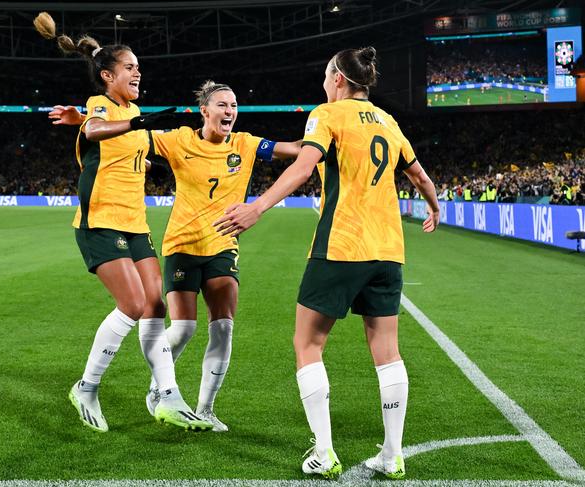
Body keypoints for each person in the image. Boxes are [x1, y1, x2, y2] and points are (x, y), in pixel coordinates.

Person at [215, 47, 440, 479]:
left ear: (338, 77)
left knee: (308, 344)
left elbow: (303, 167)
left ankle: (324, 451)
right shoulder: (389, 123)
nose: (322, 82)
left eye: (324, 74)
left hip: (341, 245)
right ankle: (393, 454)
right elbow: (420, 177)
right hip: (389, 250)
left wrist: (257, 208)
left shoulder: (328, 114)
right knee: (388, 353)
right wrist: (433, 208)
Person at [50, 80, 301, 432]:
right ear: (205, 111)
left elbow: (293, 148)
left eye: (234, 105)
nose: (230, 111)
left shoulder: (246, 144)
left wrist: (323, 143)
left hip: (223, 246)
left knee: (224, 327)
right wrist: (83, 121)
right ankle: (159, 388)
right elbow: (131, 138)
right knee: (182, 329)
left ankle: (206, 408)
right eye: (222, 105)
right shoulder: (179, 139)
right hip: (183, 244)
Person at [34, 12, 211, 433]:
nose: (137, 72)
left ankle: (167, 396)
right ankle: (86, 387)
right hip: (101, 221)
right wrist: (127, 123)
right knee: (132, 305)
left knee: (155, 304)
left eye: (137, 67)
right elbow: (95, 130)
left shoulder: (132, 110)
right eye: (129, 68)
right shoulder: (104, 105)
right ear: (108, 76)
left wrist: (141, 157)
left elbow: (124, 146)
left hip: (135, 223)